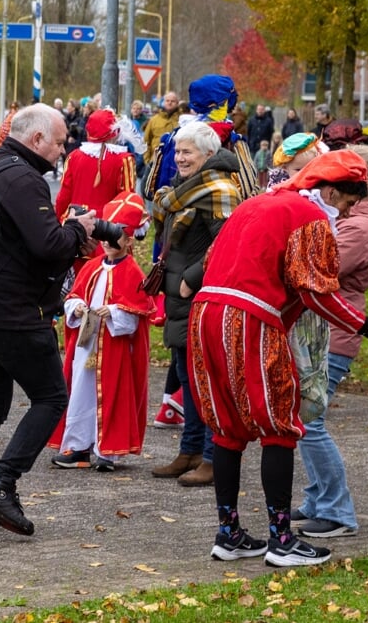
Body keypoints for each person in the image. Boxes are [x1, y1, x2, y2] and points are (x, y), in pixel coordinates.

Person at [188, 150, 368, 566]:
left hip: (205, 312)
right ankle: (281, 539)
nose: (348, 211)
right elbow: (313, 291)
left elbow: (210, 261)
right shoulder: (309, 217)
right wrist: (363, 323)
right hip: (250, 317)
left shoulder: (256, 203)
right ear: (333, 190)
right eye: (349, 201)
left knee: (228, 427)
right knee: (279, 425)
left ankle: (228, 532)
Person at [0, 104, 97, 539]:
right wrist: (80, 229)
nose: (63, 148)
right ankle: (1, 483)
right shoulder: (22, 178)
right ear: (35, 140)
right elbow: (48, 244)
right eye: (59, 140)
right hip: (11, 313)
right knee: (52, 397)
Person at [293, 146, 368, 539]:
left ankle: (338, 511)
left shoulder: (358, 226)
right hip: (329, 329)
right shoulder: (355, 218)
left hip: (335, 333)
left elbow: (322, 270)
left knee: (312, 422)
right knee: (305, 419)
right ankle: (317, 499)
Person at [149, 121, 244, 488]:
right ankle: (188, 451)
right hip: (176, 295)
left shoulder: (220, 189)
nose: (180, 158)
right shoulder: (184, 189)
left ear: (208, 155)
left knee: (204, 381)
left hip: (197, 295)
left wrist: (191, 278)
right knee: (186, 377)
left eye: (187, 152)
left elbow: (226, 246)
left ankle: (210, 457)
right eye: (178, 151)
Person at [49, 191, 153, 472]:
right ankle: (79, 446)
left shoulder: (133, 273)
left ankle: (107, 452)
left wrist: (117, 312)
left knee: (111, 395)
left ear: (129, 240)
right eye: (105, 238)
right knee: (81, 394)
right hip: (86, 346)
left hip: (114, 349)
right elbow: (71, 297)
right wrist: (78, 307)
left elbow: (139, 314)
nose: (107, 244)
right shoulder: (92, 267)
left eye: (115, 237)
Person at [54, 108, 137, 222]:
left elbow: (63, 196)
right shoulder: (124, 160)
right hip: (106, 229)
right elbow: (126, 200)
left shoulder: (73, 156)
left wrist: (59, 221)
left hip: (75, 224)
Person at [142, 90, 181, 163]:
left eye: (172, 101)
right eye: (167, 101)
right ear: (164, 102)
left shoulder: (181, 120)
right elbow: (146, 141)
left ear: (177, 103)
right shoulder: (154, 120)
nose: (169, 103)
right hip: (155, 161)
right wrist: (147, 160)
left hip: (175, 162)